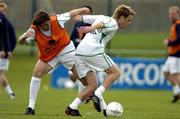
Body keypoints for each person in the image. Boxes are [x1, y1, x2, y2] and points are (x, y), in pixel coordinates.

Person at [65, 4, 135, 116]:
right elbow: (102, 24)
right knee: (116, 72)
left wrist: (78, 12)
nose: (128, 23)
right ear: (121, 17)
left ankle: (72, 107)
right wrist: (91, 28)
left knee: (92, 85)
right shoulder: (113, 23)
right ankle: (97, 94)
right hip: (93, 51)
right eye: (128, 20)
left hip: (80, 52)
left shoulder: (101, 16)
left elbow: (78, 18)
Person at [18, 7, 91, 115]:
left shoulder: (56, 19)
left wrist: (83, 9)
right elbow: (21, 42)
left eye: (47, 23)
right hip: (49, 55)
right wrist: (23, 38)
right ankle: (30, 108)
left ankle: (79, 106)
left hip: (66, 50)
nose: (46, 26)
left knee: (84, 79)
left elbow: (71, 13)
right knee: (36, 73)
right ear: (38, 24)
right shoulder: (33, 29)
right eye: (43, 25)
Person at [69, 6, 93, 103]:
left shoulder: (93, 24)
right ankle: (87, 95)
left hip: (87, 53)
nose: (85, 15)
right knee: (74, 75)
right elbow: (72, 38)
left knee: (84, 75)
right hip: (76, 52)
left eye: (87, 13)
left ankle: (85, 96)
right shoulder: (78, 23)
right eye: (84, 12)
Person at [162, 6, 180, 103]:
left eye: (174, 14)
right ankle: (177, 92)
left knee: (175, 75)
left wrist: (169, 43)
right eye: (170, 14)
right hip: (172, 55)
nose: (172, 15)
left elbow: (179, 39)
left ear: (178, 14)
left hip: (177, 55)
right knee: (165, 72)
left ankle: (177, 92)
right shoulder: (174, 25)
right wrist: (169, 40)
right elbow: (175, 38)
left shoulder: (178, 24)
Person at [0, 2, 16, 99]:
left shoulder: (4, 20)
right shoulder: (3, 19)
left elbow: (6, 36)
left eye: (3, 9)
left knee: (1, 74)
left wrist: (9, 50)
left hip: (4, 52)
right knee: (1, 74)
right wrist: (2, 49)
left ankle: (10, 93)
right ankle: (11, 93)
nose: (2, 11)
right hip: (3, 52)